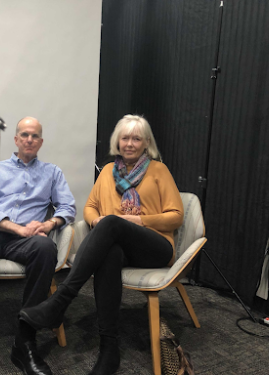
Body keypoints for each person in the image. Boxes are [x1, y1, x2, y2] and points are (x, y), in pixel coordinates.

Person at [20, 115, 184, 375]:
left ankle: (60, 301)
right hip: (121, 246)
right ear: (117, 141)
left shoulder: (158, 171)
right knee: (109, 250)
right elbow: (89, 207)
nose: (129, 143)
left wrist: (136, 220)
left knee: (112, 223)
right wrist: (98, 221)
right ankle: (109, 349)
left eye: (136, 138)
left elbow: (176, 215)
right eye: (125, 137)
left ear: (146, 142)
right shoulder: (108, 171)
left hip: (155, 247)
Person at [0, 117, 76, 375]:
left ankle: (25, 339)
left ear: (40, 142)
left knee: (45, 249)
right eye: (24, 135)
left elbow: (68, 207)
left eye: (35, 136)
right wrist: (16, 227)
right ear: (16, 139)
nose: (29, 139)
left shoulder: (52, 172)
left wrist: (50, 224)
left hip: (28, 241)